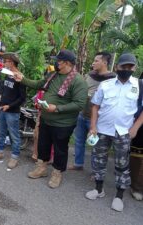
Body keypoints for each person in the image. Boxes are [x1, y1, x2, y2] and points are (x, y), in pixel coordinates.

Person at [13, 50, 88, 188]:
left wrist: (57, 108)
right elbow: (39, 84)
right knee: (43, 145)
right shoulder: (53, 74)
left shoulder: (78, 81)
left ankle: (57, 173)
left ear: (67, 63)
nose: (56, 62)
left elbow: (79, 104)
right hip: (46, 119)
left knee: (60, 149)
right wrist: (22, 79)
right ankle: (41, 168)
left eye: (59, 61)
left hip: (63, 123)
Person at [85, 53, 140, 212]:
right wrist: (93, 127)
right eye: (124, 67)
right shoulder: (106, 85)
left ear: (134, 68)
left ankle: (119, 196)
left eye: (130, 67)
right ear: (117, 67)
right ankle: (99, 189)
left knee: (122, 165)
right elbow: (95, 105)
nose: (127, 69)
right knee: (98, 160)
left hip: (123, 132)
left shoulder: (139, 85)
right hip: (102, 130)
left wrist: (135, 128)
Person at [68, 52, 116, 170]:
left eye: (96, 61)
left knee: (97, 145)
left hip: (97, 119)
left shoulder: (113, 79)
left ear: (104, 63)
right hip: (82, 114)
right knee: (79, 141)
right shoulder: (89, 75)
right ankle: (78, 164)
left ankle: (96, 171)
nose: (93, 63)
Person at [0, 53, 26, 169]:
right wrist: (1, 101)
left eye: (6, 61)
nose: (4, 63)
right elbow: (6, 91)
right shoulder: (7, 74)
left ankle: (14, 157)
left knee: (14, 135)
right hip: (2, 109)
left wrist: (9, 106)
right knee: (2, 132)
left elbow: (22, 98)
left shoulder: (19, 77)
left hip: (12, 111)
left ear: (12, 62)